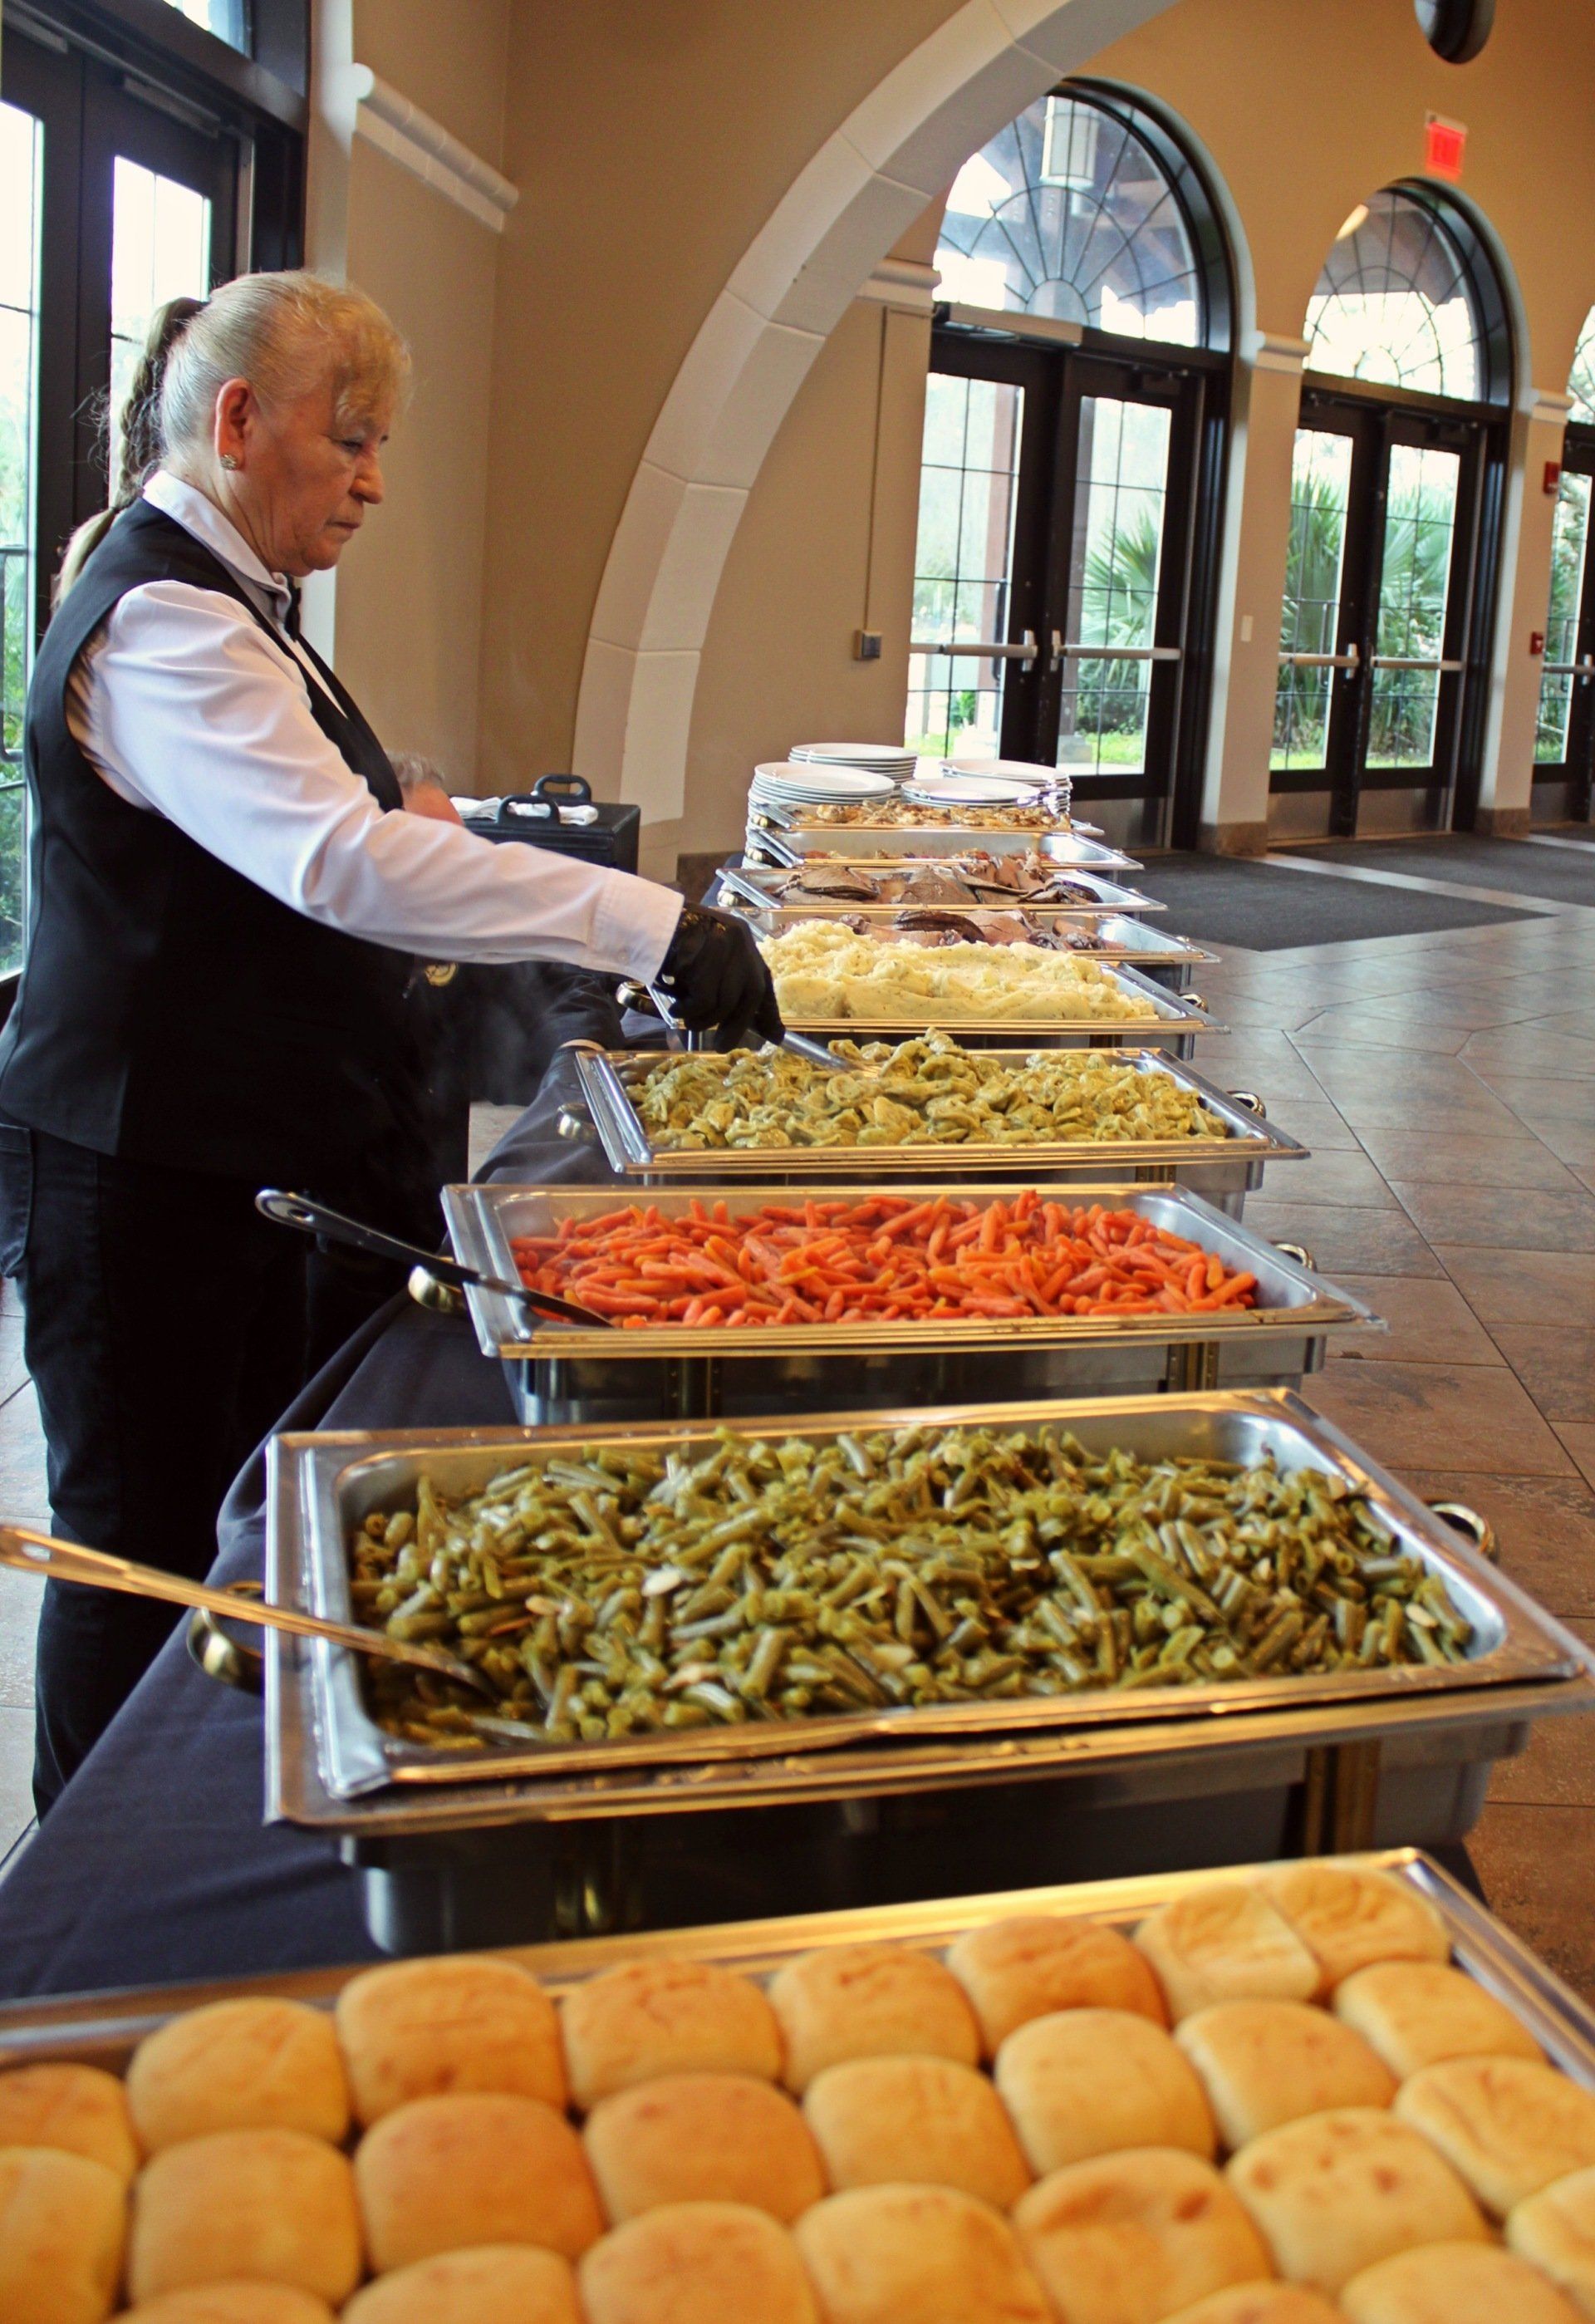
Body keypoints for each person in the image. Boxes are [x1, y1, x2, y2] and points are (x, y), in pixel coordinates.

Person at [0, 269, 783, 1813]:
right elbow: (335, 862)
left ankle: (206, 1802)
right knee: (129, 1547)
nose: (370, 476)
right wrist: (648, 924)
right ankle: (75, 1899)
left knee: (222, 1511)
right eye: (347, 436)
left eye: (379, 442)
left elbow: (336, 832)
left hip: (219, 1152)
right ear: (236, 421)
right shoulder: (164, 615)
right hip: (130, 1164)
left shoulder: (236, 602)